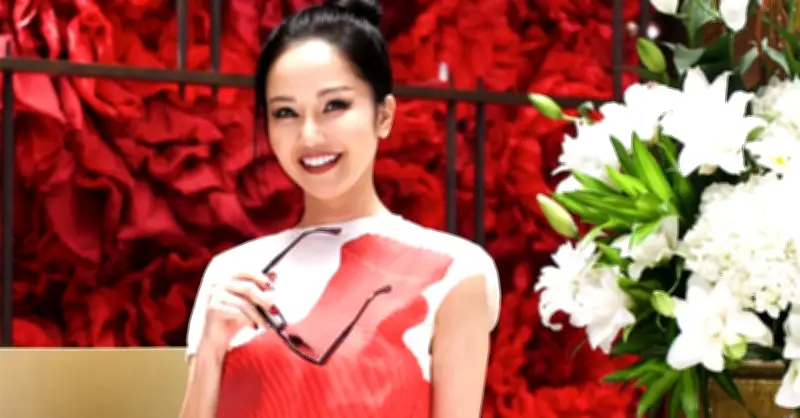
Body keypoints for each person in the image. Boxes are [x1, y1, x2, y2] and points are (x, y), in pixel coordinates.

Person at [178, 0, 500, 416]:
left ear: (384, 116)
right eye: (286, 112)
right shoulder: (232, 274)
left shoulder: (456, 271)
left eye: (335, 106)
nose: (309, 136)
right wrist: (210, 349)